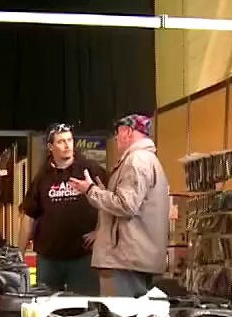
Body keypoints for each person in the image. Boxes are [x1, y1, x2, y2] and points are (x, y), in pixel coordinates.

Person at [68, 113, 169, 297]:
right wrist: (97, 192)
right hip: (133, 258)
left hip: (124, 259)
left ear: (128, 131)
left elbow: (126, 205)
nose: (115, 137)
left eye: (118, 132)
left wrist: (91, 190)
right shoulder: (147, 160)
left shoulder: (136, 160)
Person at [19, 122, 106, 294]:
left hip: (83, 257)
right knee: (46, 308)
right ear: (50, 147)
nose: (67, 145)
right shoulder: (42, 178)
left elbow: (110, 202)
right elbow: (29, 216)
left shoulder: (90, 169)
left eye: (70, 140)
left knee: (85, 308)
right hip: (49, 258)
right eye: (61, 141)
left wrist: (100, 231)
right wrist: (19, 255)